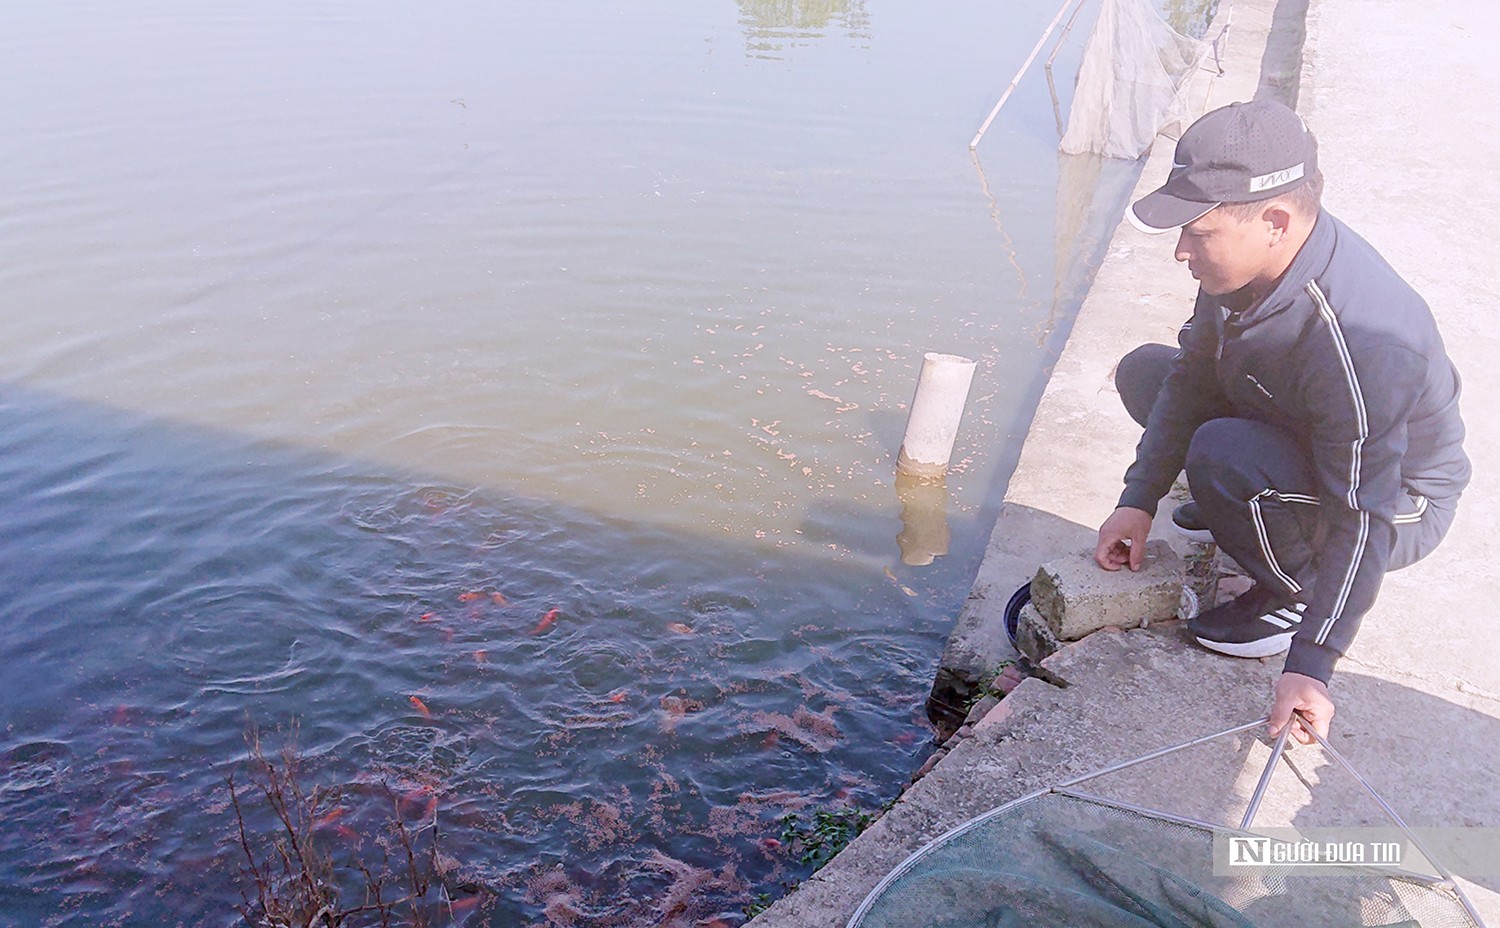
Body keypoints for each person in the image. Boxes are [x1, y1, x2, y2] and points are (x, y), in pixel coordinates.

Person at [1093, 99, 1470, 745]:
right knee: (1148, 374)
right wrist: (1138, 500)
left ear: (1274, 219)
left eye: (1198, 233)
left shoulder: (1364, 343)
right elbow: (1191, 377)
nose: (1181, 252)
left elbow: (1365, 512)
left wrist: (1312, 660)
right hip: (1307, 428)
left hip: (1401, 500)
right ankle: (1254, 507)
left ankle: (1290, 591)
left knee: (1223, 453)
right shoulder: (1248, 263)